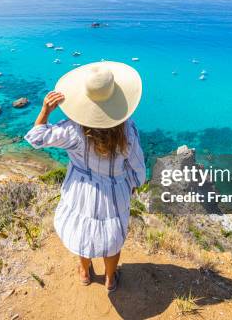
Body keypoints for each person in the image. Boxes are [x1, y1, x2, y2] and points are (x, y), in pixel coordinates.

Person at [25, 61, 146, 292]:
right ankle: (110, 278)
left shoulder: (73, 130)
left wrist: (45, 111)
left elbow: (36, 138)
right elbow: (137, 165)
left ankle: (84, 272)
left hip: (80, 189)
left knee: (82, 231)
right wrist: (135, 184)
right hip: (115, 191)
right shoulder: (128, 130)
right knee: (113, 236)